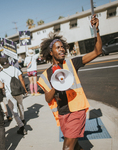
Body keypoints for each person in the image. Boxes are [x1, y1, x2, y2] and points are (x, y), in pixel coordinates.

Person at [37, 15, 102, 150]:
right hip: (63, 113)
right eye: (58, 47)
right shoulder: (46, 75)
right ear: (50, 52)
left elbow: (97, 51)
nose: (62, 49)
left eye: (62, 47)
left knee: (67, 147)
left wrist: (97, 30)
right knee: (75, 146)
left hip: (77, 111)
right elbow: (48, 98)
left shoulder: (72, 63)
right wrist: (55, 85)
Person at [0, 57, 28, 135]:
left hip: (9, 94)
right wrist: (24, 89)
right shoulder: (15, 69)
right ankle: (22, 119)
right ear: (8, 62)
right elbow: (21, 79)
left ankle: (21, 126)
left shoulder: (1, 73)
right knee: (21, 105)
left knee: (14, 110)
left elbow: (1, 85)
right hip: (19, 91)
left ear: (1, 65)